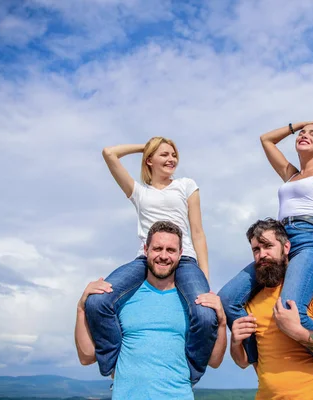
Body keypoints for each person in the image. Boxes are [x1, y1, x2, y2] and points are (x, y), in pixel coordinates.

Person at [219, 122, 313, 394]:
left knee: (290, 307)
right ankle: (259, 364)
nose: (305, 135)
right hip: (282, 239)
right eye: (303, 133)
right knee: (228, 299)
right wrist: (298, 125)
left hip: (311, 241)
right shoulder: (290, 175)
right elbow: (266, 139)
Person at [84, 137, 217, 384]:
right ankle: (113, 365)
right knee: (97, 301)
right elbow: (109, 153)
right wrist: (143, 146)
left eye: (174, 155)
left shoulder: (186, 185)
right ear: (149, 160)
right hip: (146, 259)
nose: (171, 159)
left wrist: (205, 275)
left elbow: (198, 231)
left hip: (185, 258)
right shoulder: (138, 191)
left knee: (206, 315)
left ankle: (191, 373)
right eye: (164, 154)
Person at [76, 221, 227, 399]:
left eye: (170, 250)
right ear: (146, 249)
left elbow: (214, 361)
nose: (163, 256)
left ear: (180, 254)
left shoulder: (194, 303)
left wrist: (222, 323)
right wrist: (81, 309)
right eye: (157, 248)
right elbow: (87, 357)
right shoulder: (119, 299)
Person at [230, 219, 313, 399]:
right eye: (256, 250)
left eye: (268, 246)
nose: (262, 254)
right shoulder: (250, 300)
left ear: (286, 247)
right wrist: (235, 342)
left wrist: (298, 332)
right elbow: (242, 362)